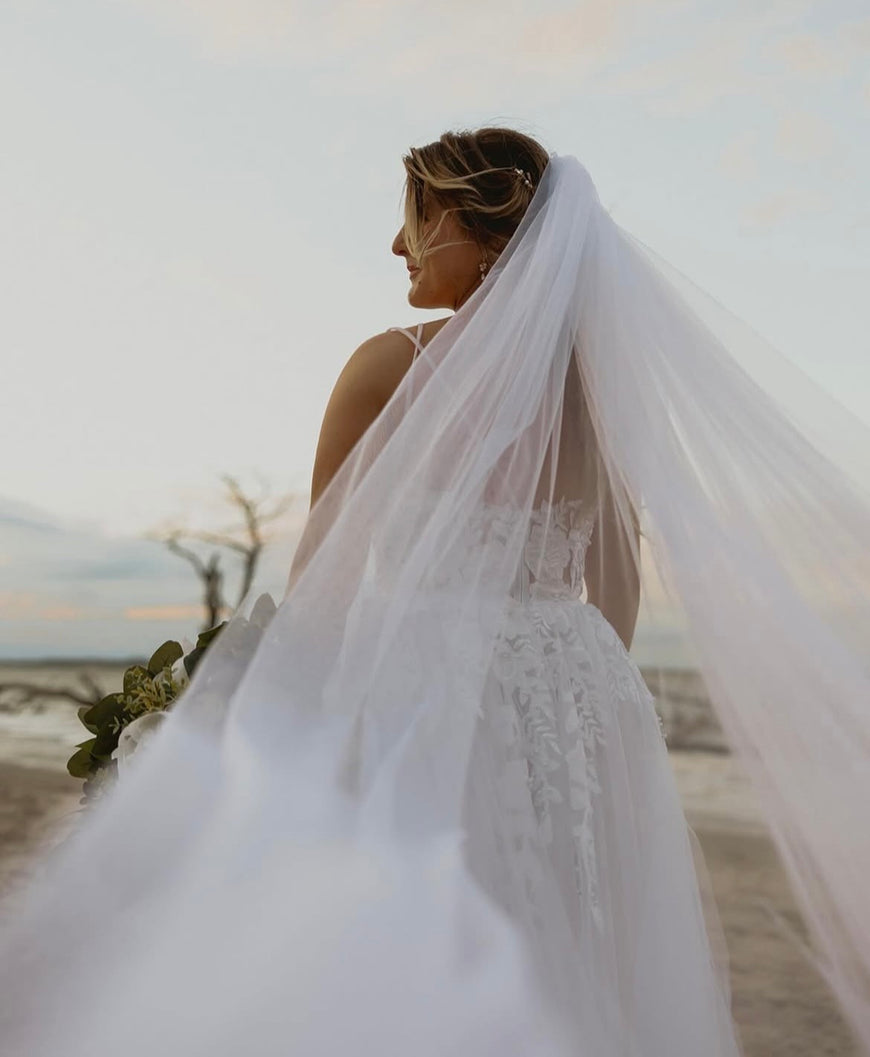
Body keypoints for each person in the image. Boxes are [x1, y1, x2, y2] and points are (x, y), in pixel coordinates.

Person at [1, 127, 869, 1057]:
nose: (396, 245)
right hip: (582, 691)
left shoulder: (387, 365)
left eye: (413, 217)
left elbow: (322, 589)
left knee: (406, 938)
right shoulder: (606, 394)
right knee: (570, 933)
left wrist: (241, 715)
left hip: (425, 682)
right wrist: (576, 700)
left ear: (465, 222)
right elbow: (613, 592)